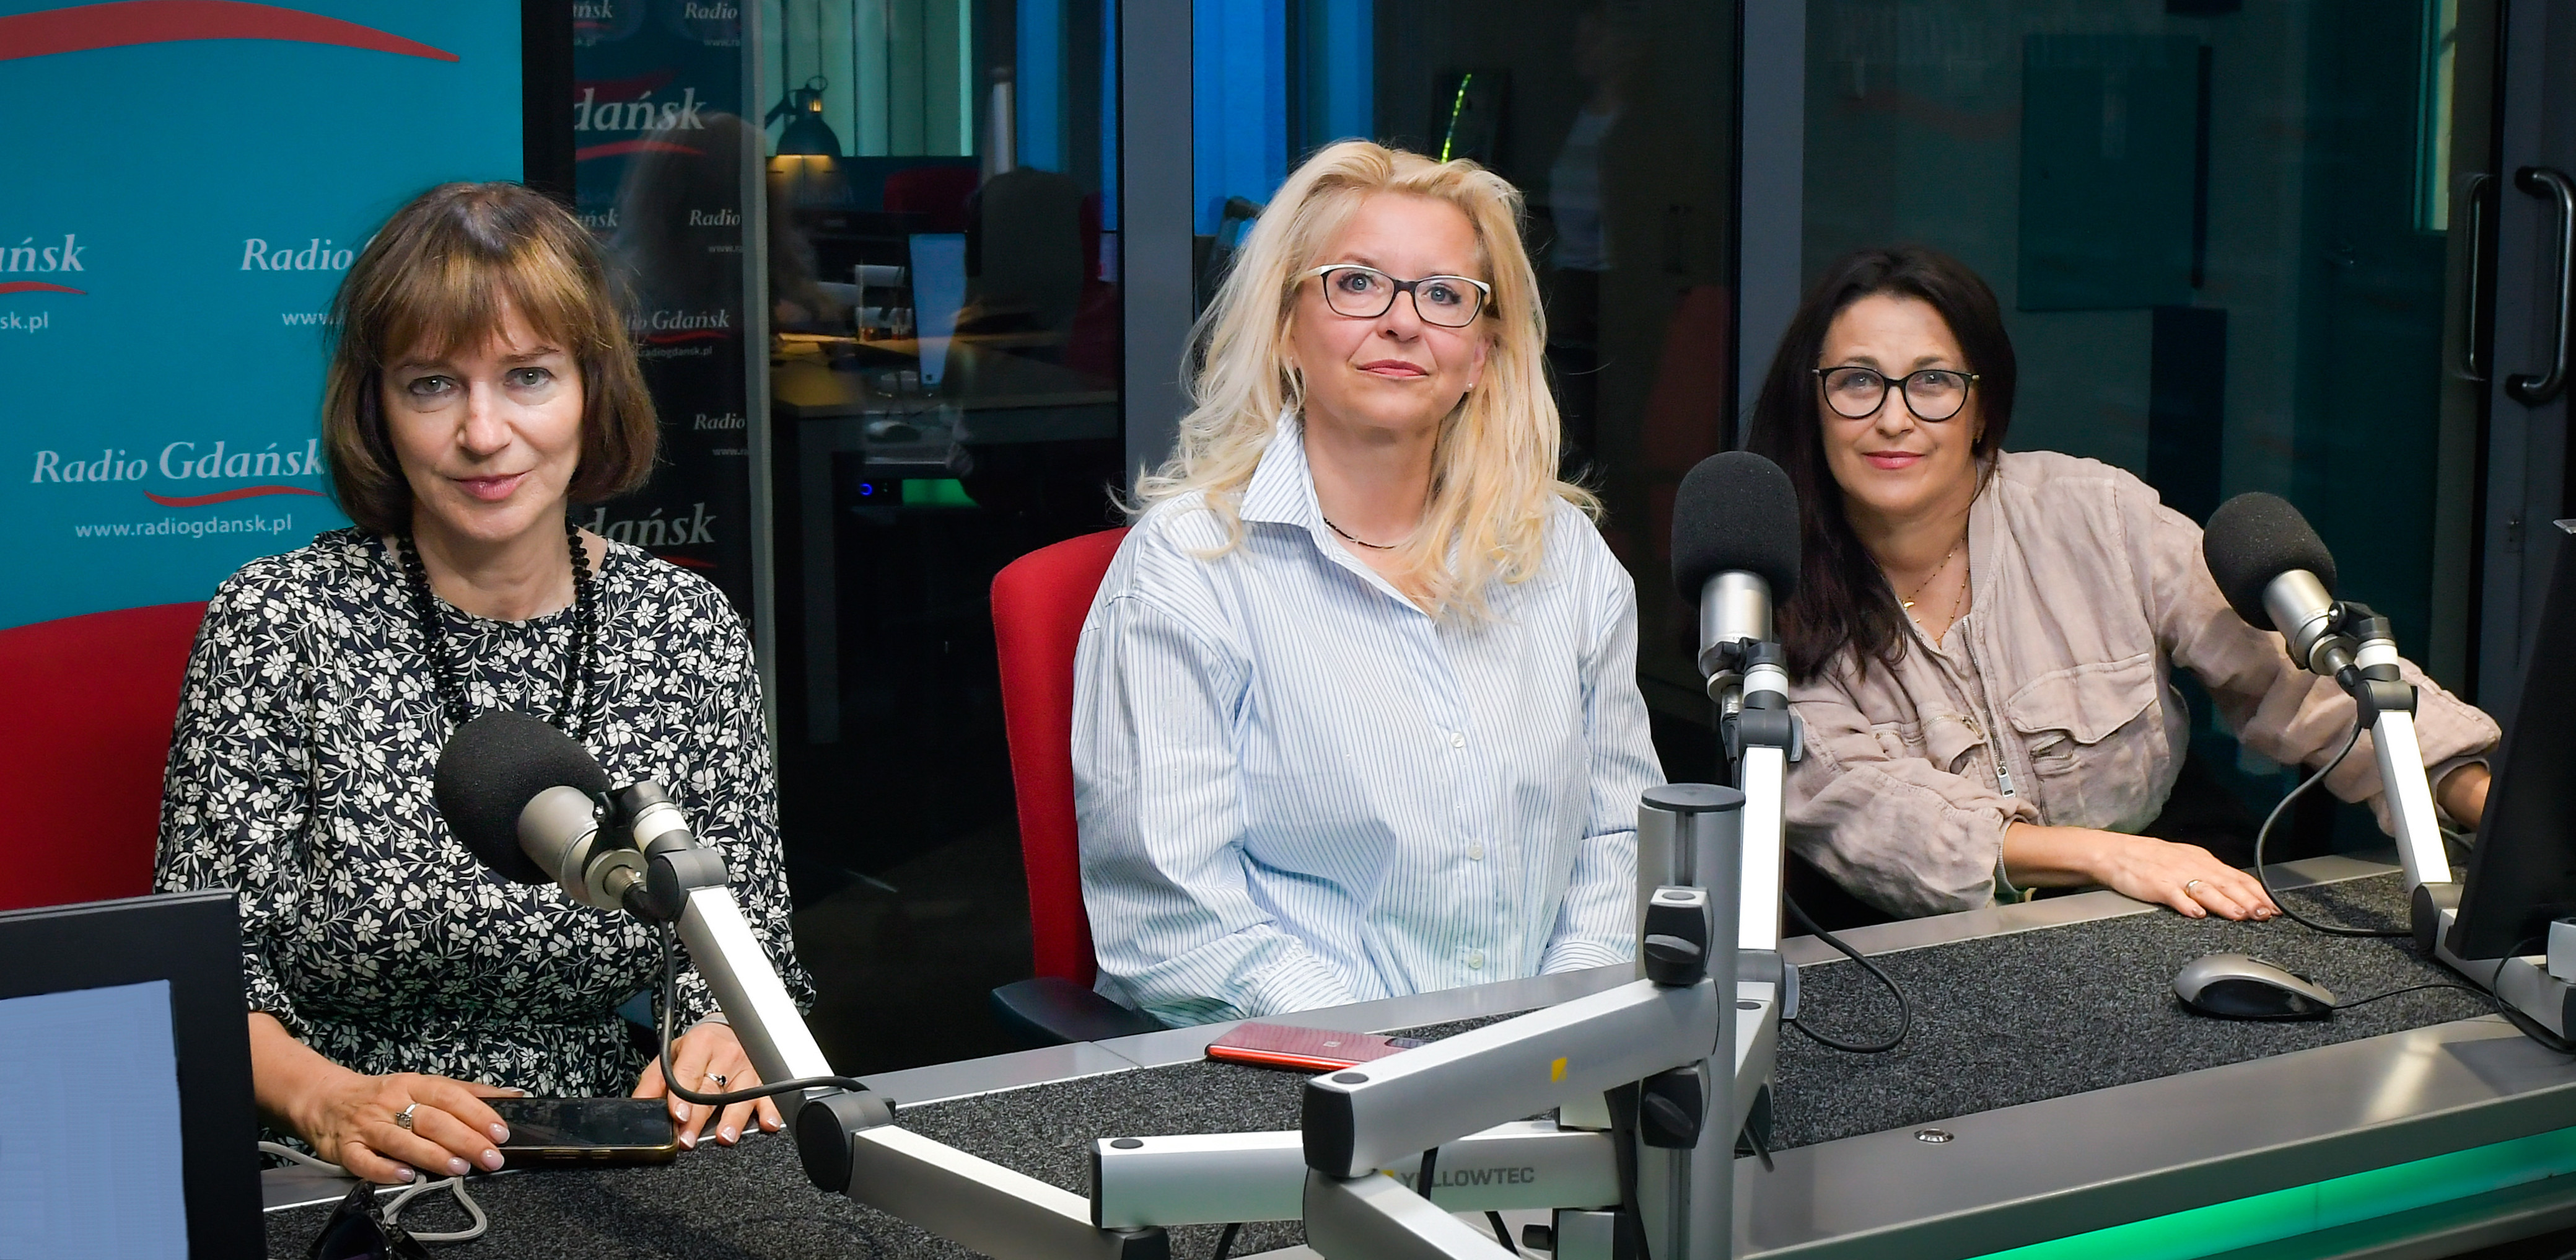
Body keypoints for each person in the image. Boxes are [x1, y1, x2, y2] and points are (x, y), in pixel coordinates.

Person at [156, 182, 808, 1185]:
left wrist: (727, 1032)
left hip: (611, 1148)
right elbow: (200, 981)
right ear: (374, 402)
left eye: (528, 376)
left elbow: (748, 942)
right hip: (334, 1151)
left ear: (594, 388)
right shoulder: (276, 622)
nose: (484, 432)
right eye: (431, 384)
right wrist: (326, 1096)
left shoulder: (684, 625)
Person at [1074, 141, 1663, 1027]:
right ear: (1284, 326)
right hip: (1291, 1090)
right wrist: (1418, 1064)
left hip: (1546, 1074)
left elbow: (1621, 843)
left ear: (1483, 351)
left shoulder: (1568, 560)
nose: (1401, 322)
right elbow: (1178, 926)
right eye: (1355, 283)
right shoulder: (1184, 572)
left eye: (1442, 295)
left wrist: (1553, 1030)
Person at [1746, 245, 2498, 923]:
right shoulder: (1770, 585)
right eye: (1857, 382)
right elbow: (1870, 815)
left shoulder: (2096, 514)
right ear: (1813, 407)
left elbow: (2304, 682)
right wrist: (2107, 857)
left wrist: (2488, 812)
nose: (1894, 417)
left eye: (1934, 382)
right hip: (1908, 957)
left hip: (2152, 916)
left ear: (1983, 409)